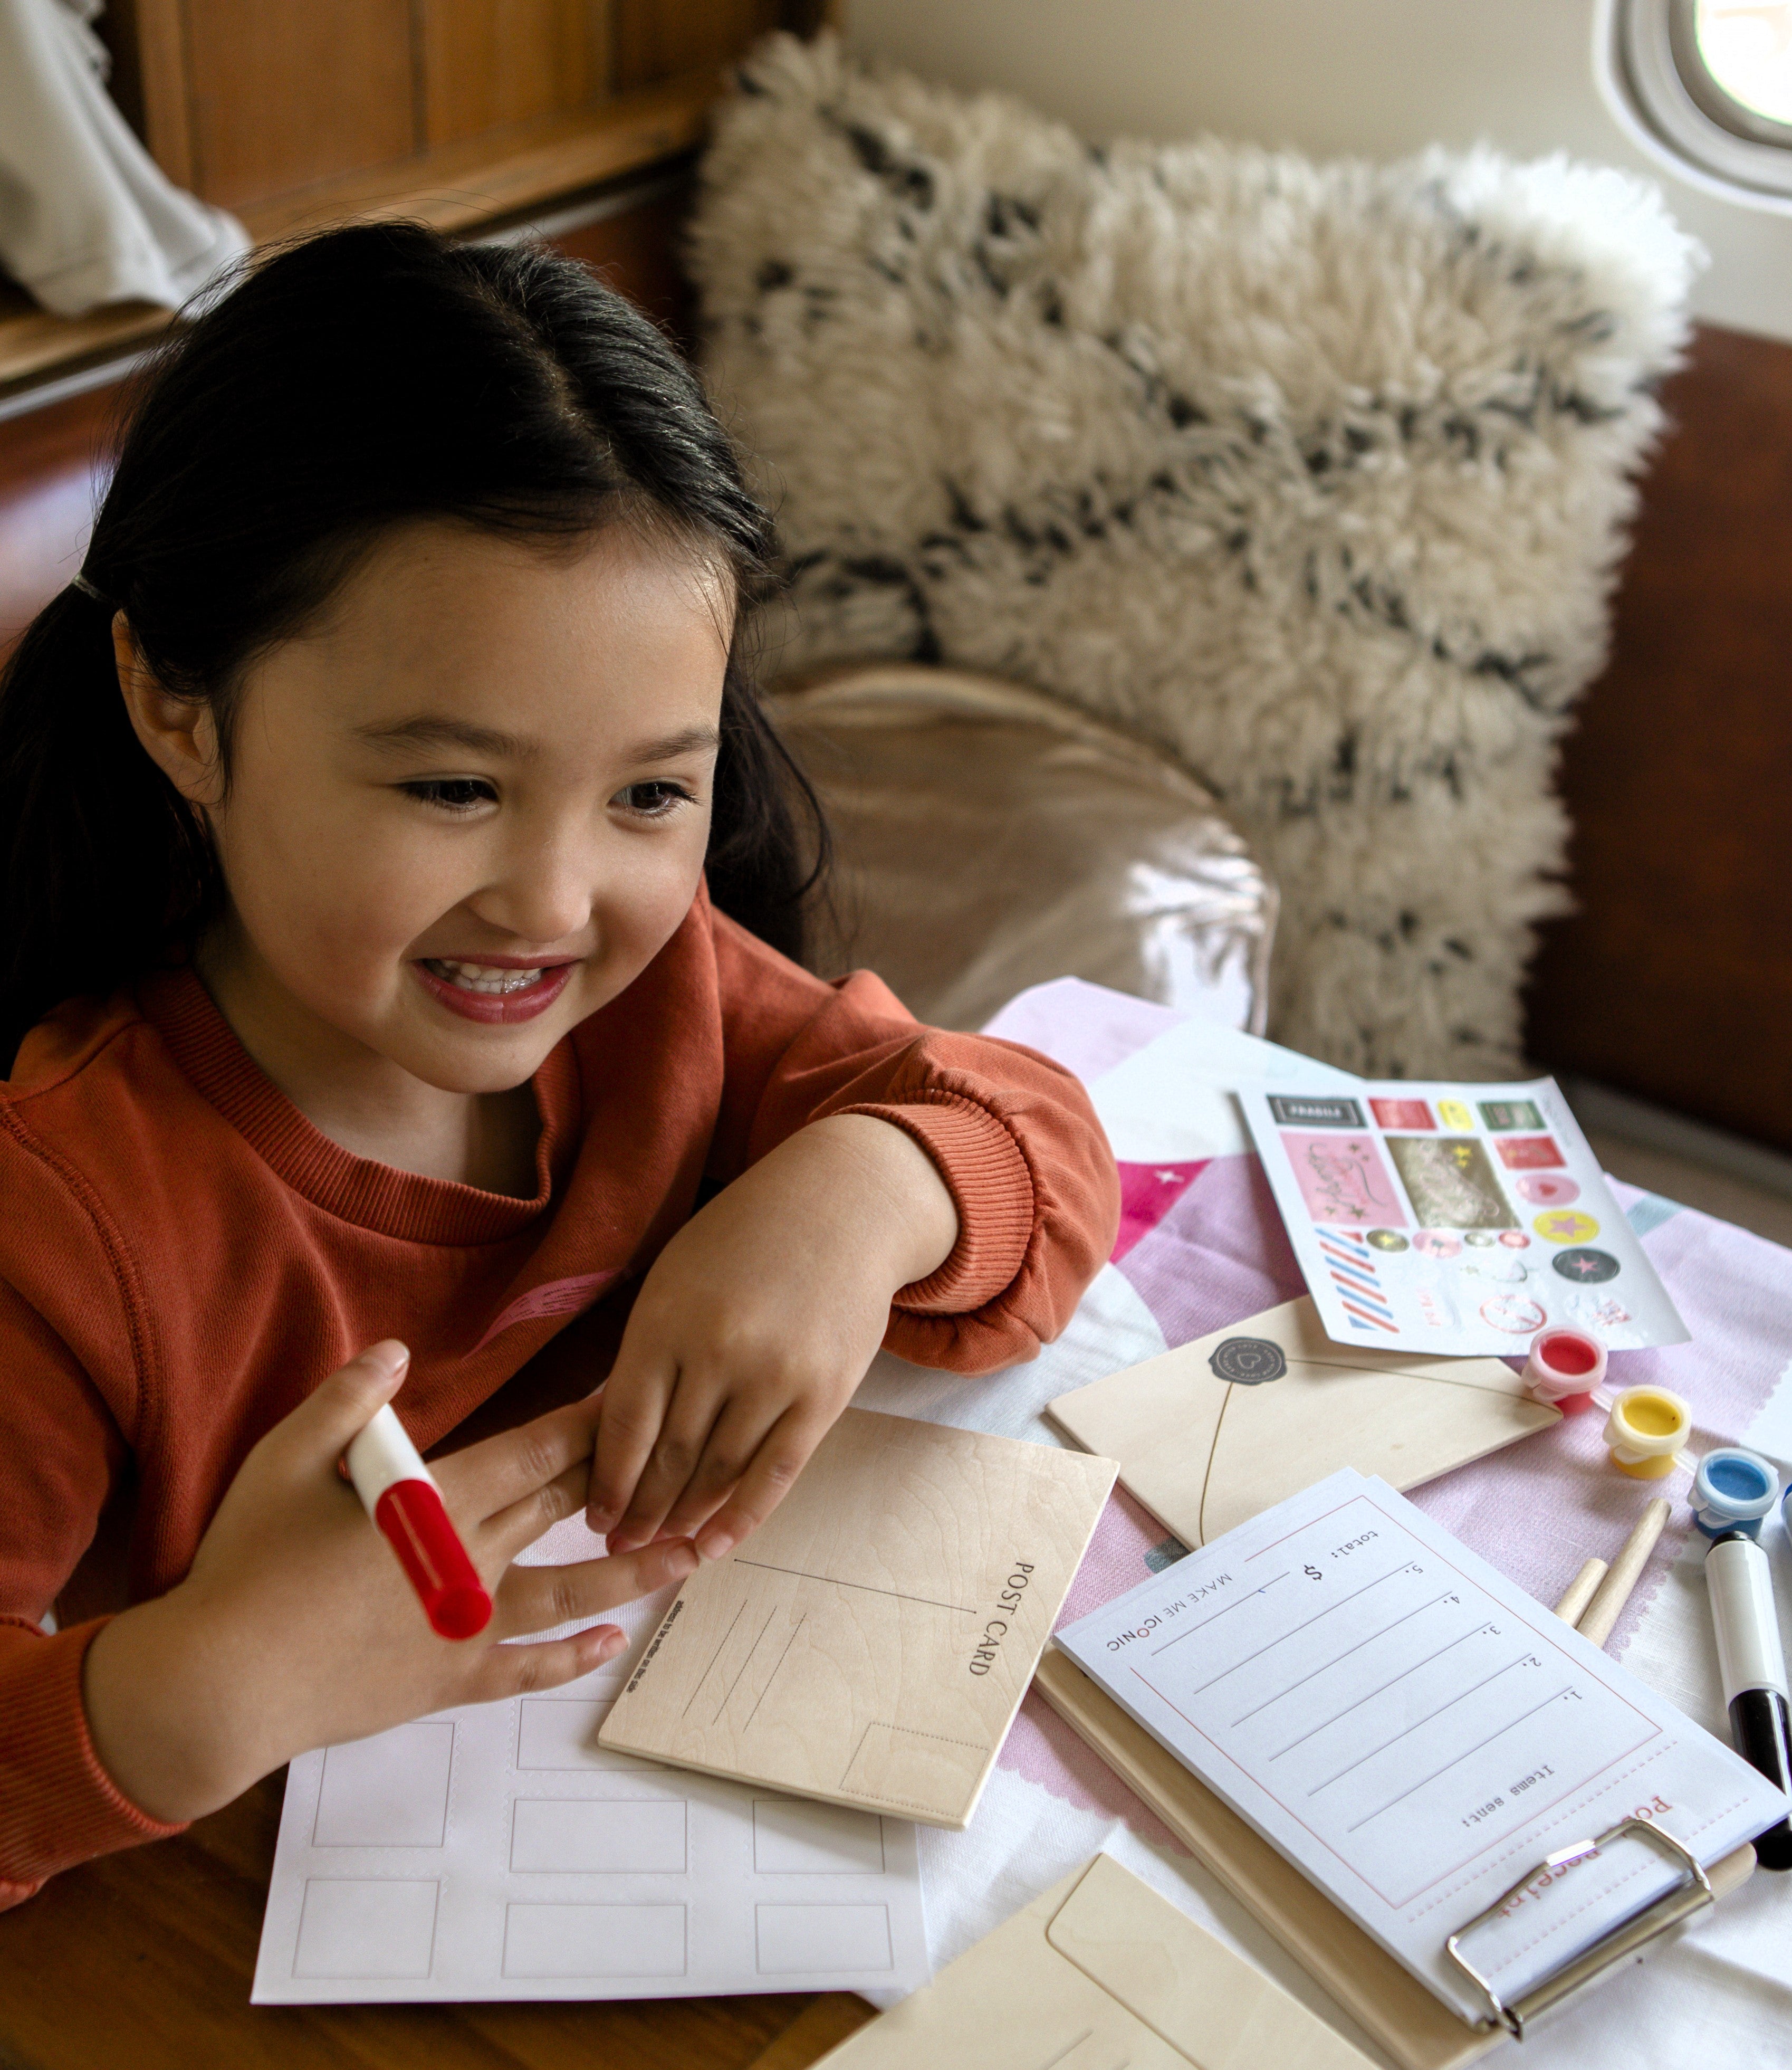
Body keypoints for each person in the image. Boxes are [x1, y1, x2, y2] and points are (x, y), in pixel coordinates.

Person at [0, 224, 1118, 1905]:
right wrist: (205, 1685)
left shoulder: (673, 1002)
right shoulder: (65, 1214)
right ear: (177, 704)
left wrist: (859, 1194)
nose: (552, 901)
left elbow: (1041, 1140)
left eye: (651, 794)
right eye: (453, 788)